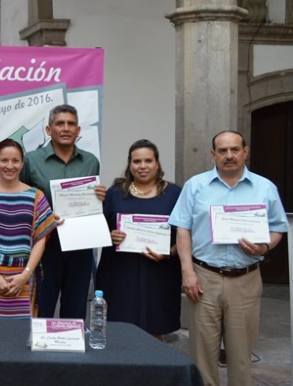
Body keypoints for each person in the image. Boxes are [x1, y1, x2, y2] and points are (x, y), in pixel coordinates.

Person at [169, 131, 287, 386]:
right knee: (202, 356)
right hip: (204, 278)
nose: (229, 155)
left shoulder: (265, 188)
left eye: (235, 149)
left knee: (241, 356)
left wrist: (264, 247)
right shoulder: (195, 186)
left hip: (245, 279)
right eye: (222, 151)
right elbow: (183, 229)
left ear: (245, 151)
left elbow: (278, 227)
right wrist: (187, 272)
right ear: (213, 154)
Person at [20, 104, 105, 319]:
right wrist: (42, 217)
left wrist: (99, 197)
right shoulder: (31, 160)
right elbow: (21, 200)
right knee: (43, 305)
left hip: (80, 243)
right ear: (49, 130)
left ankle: (73, 341)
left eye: (71, 124)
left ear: (78, 130)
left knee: (76, 307)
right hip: (45, 243)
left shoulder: (90, 161)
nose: (66, 128)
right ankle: (39, 342)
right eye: (60, 123)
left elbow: (91, 201)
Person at [94, 139, 182, 339]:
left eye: (148, 161)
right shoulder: (115, 194)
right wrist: (110, 235)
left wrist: (170, 253)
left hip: (159, 274)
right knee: (119, 329)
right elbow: (97, 229)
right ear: (130, 164)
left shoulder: (174, 194)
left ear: (157, 164)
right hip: (119, 273)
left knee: (155, 327)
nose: (143, 166)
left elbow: (187, 233)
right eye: (137, 161)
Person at [0, 139, 56, 319]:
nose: (10, 166)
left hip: (24, 278)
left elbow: (41, 240)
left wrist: (25, 275)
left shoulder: (36, 197)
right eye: (4, 160)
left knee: (22, 332)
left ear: (22, 163)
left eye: (15, 161)